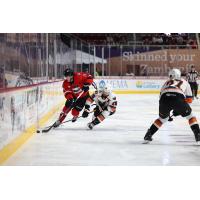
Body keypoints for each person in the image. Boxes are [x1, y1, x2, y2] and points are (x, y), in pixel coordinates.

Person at [143, 68, 200, 144]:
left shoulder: (166, 82)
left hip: (164, 99)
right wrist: (180, 110)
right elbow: (189, 100)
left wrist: (166, 114)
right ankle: (198, 135)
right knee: (190, 116)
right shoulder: (185, 82)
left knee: (162, 119)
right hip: (178, 97)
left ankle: (149, 134)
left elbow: (161, 97)